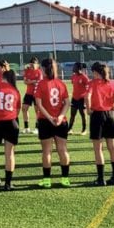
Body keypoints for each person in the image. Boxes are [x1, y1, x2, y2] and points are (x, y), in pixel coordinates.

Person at [86, 62, 114, 186]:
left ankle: (101, 179)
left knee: (98, 149)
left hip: (97, 116)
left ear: (95, 72)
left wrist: (88, 109)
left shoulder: (92, 84)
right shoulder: (112, 83)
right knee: (113, 147)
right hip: (110, 115)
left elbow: (87, 97)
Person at [35, 59, 71, 188]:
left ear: (44, 69)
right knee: (62, 149)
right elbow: (67, 103)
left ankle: (47, 180)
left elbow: (38, 104)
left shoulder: (41, 84)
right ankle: (65, 179)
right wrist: (60, 116)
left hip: (45, 121)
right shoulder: (61, 83)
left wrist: (50, 118)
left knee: (47, 151)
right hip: (61, 122)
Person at [68, 62, 90, 135]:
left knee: (83, 114)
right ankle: (69, 129)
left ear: (78, 68)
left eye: (74, 67)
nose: (73, 68)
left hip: (82, 99)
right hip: (74, 98)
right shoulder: (73, 76)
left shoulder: (84, 77)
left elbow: (88, 88)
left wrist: (85, 98)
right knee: (72, 114)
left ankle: (84, 130)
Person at [22, 57, 42, 134]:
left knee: (37, 111)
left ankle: (37, 128)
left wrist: (30, 81)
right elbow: (25, 81)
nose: (32, 66)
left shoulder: (39, 72)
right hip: (28, 93)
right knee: (24, 109)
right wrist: (32, 81)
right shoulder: (27, 71)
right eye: (31, 64)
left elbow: (38, 82)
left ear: (37, 64)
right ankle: (26, 127)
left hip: (37, 93)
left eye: (34, 64)